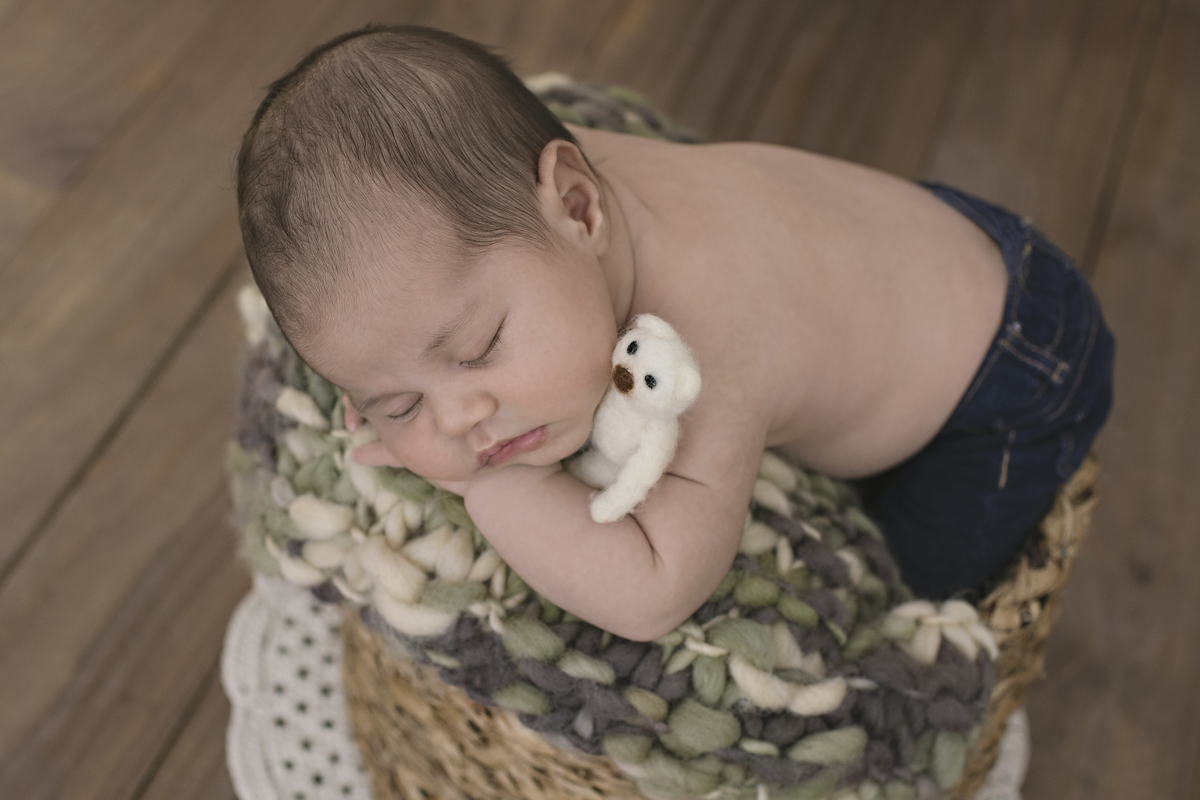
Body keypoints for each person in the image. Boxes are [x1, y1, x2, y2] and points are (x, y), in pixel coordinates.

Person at [236, 25, 1114, 641]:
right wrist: (417, 392)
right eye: (394, 403)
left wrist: (488, 491)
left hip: (1003, 372)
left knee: (904, 594)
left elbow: (655, 593)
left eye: (477, 349)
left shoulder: (710, 333)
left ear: (577, 204)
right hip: (917, 248)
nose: (461, 416)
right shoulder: (520, 206)